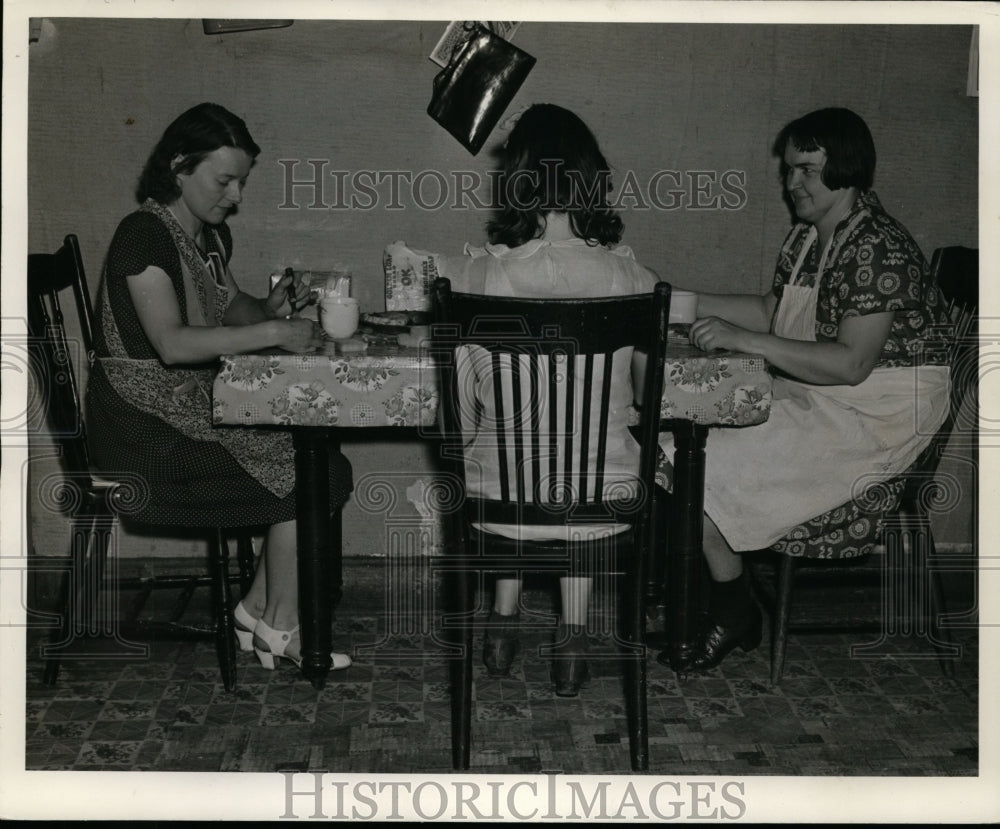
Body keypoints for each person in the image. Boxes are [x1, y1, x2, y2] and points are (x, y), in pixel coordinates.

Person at [656, 107, 951, 672]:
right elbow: (774, 310)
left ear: (846, 169)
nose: (792, 184)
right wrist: (681, 298)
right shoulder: (809, 238)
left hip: (879, 413)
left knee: (698, 464)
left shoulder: (876, 246)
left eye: (807, 170)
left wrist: (743, 339)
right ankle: (731, 602)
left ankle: (732, 610)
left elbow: (851, 363)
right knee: (678, 450)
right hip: (826, 394)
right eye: (789, 170)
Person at [86, 102, 353, 673]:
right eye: (224, 180)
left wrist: (270, 306)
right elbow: (174, 345)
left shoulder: (207, 237)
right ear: (179, 166)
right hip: (139, 428)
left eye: (241, 182)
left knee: (320, 460)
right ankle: (278, 625)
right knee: (314, 471)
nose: (234, 195)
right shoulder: (142, 237)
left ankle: (261, 612)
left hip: (184, 409)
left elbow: (231, 305)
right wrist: (277, 331)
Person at [438, 103, 661, 696]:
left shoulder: (468, 280)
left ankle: (503, 622)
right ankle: (573, 638)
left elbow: (460, 414)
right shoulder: (635, 281)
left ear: (514, 180)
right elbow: (640, 396)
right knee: (586, 459)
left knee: (513, 448)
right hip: (603, 496)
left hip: (495, 496)